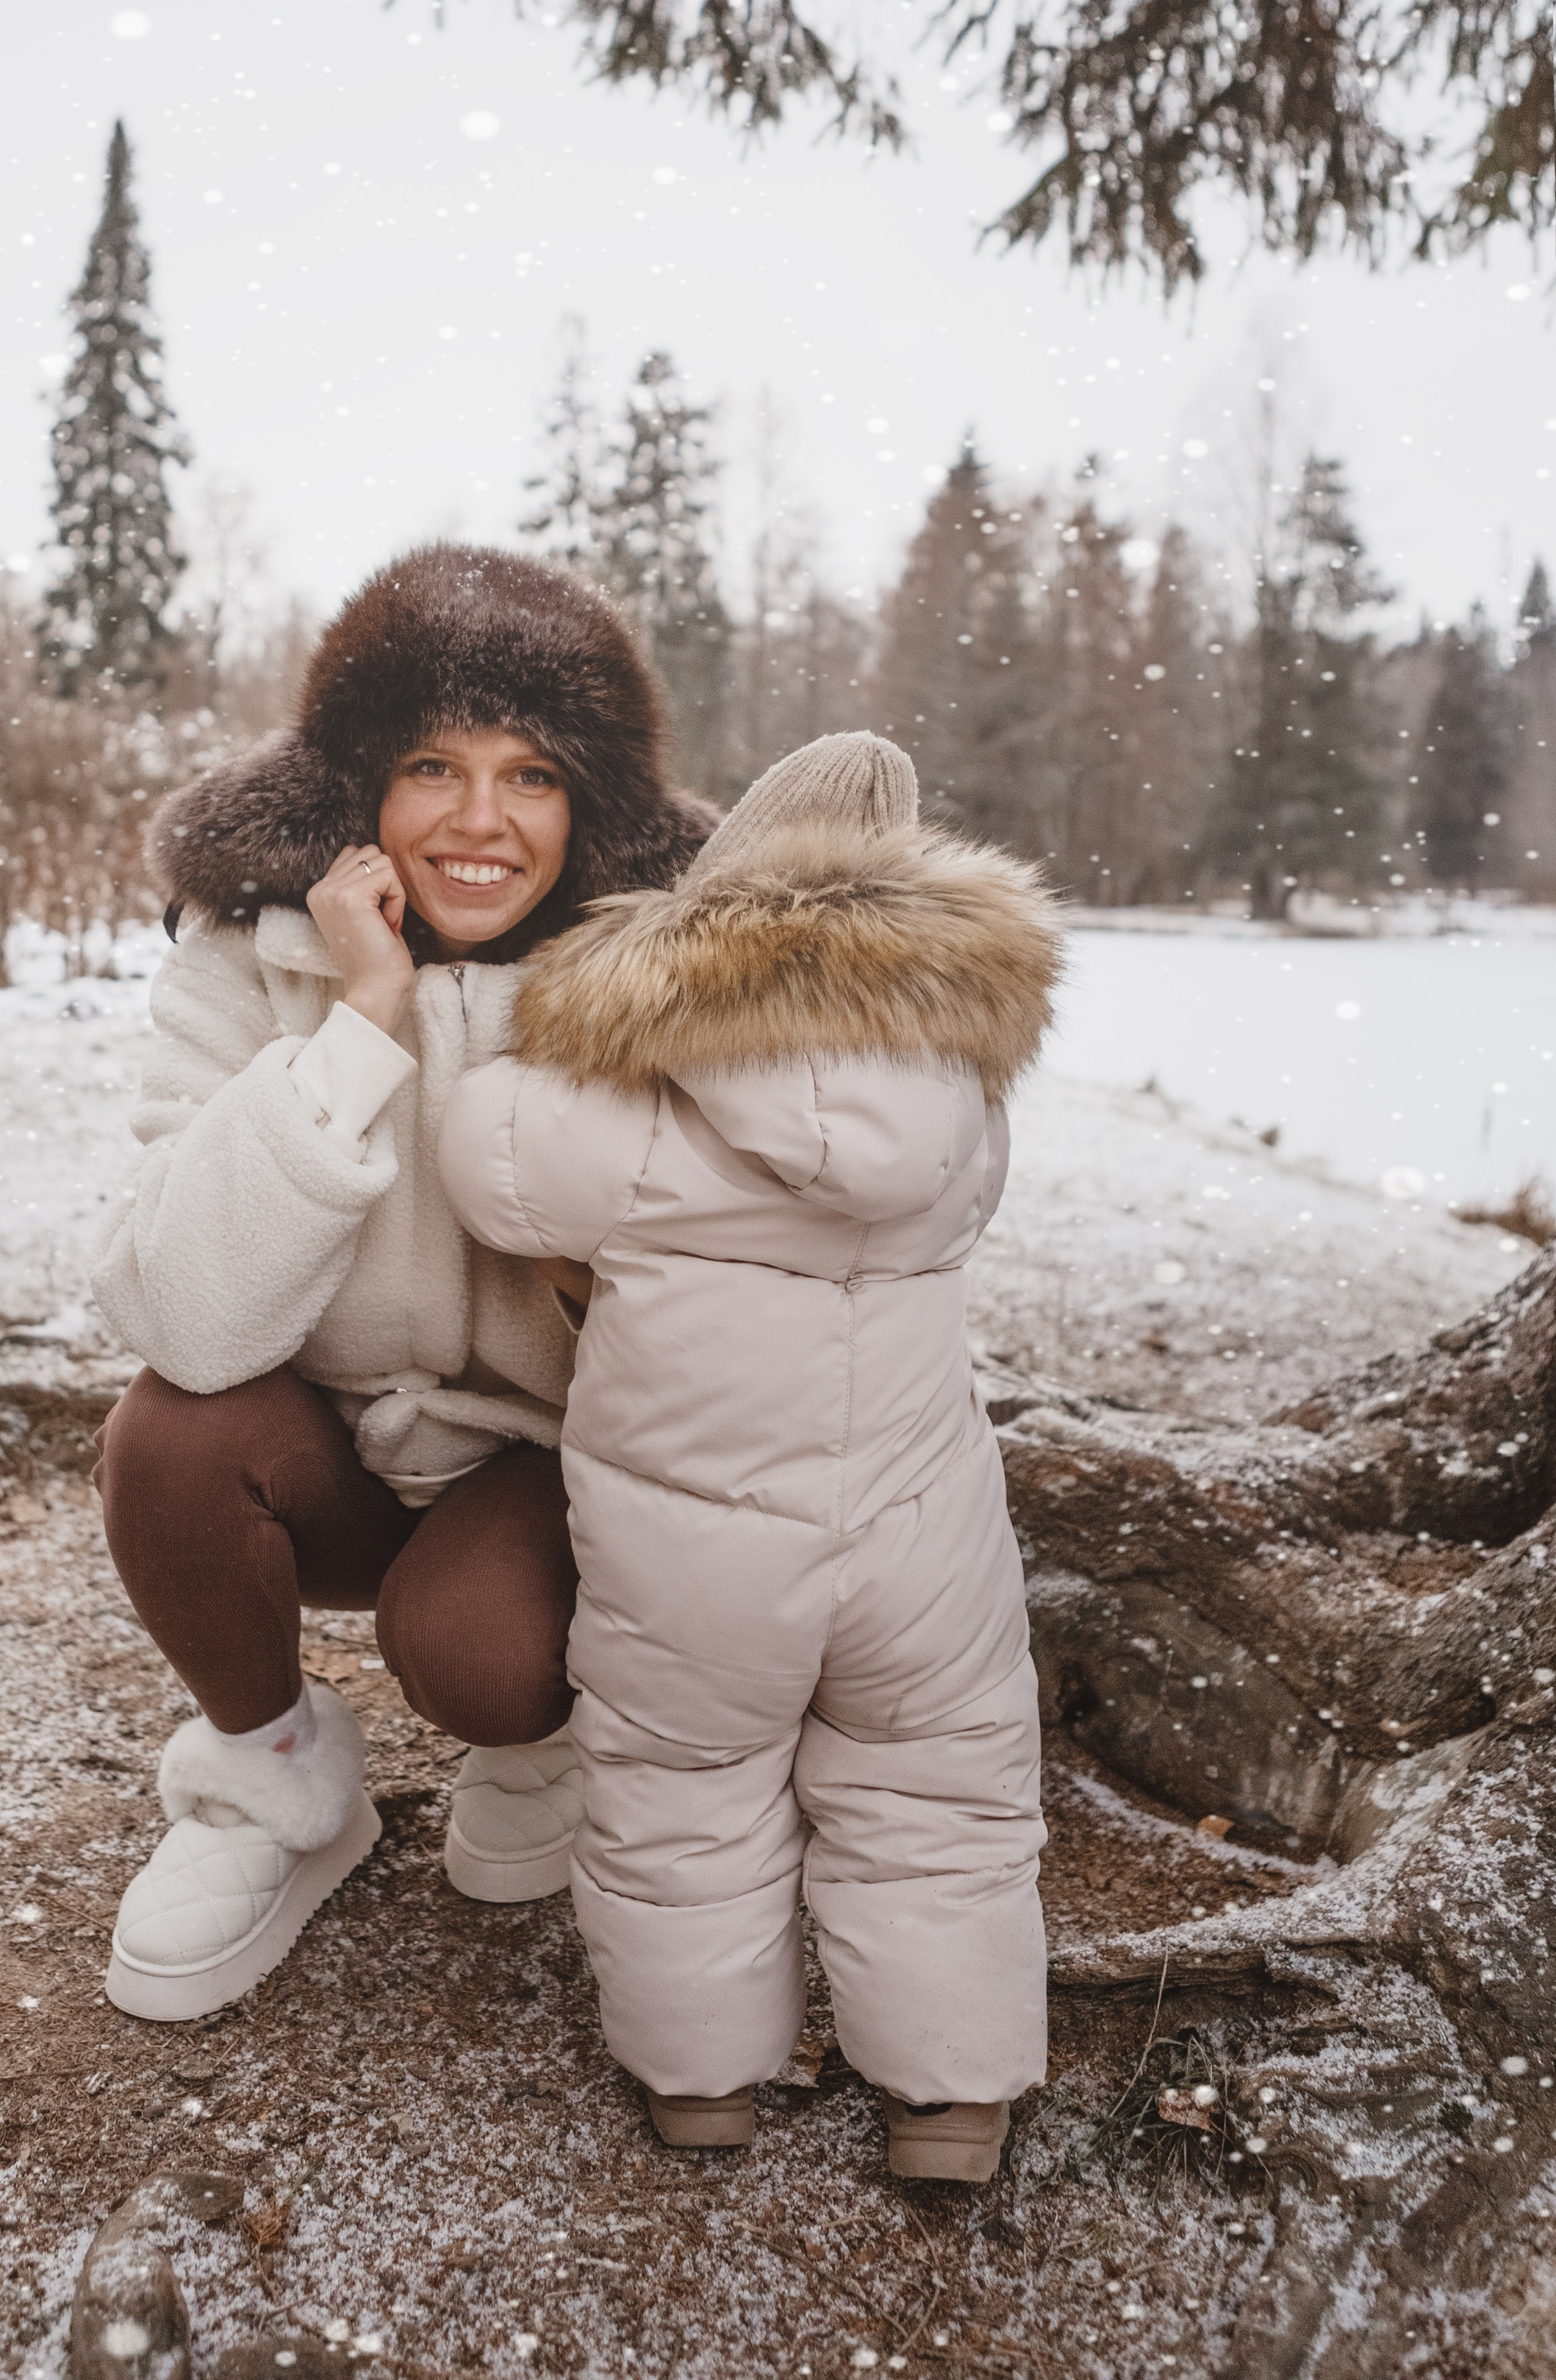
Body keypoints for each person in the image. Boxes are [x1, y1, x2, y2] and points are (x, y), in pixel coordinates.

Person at [88, 542, 711, 2021]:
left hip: (551, 1472)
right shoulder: (249, 957)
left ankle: (543, 1730)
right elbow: (180, 1308)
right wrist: (362, 1023)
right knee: (168, 1434)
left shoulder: (666, 978)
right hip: (326, 1451)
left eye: (532, 773)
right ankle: (277, 1782)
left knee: (481, 1657)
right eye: (433, 764)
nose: (480, 820)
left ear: (591, 803)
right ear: (361, 785)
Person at [438, 731, 1061, 2179]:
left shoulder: (628, 1114)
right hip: (922, 1533)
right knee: (937, 1789)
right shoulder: (965, 1102)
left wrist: (570, 1028)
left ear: (716, 913)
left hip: (691, 1553)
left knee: (679, 1785)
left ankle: (700, 2079)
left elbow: (487, 1153)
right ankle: (949, 2100)